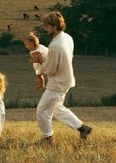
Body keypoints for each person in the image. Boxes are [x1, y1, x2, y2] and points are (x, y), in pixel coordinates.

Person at [31, 12, 92, 144]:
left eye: (47, 27)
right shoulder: (67, 37)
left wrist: (39, 63)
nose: (46, 29)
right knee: (57, 108)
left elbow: (51, 69)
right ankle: (83, 128)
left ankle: (47, 139)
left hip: (57, 83)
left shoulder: (55, 45)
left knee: (42, 111)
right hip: (66, 79)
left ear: (53, 26)